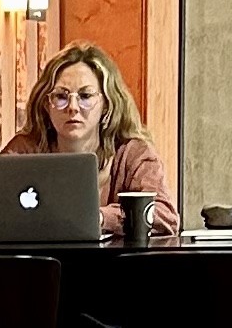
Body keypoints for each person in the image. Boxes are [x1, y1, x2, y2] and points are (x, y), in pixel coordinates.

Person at [14, 40, 178, 245]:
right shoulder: (24, 149)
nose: (73, 107)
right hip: (42, 262)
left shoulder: (132, 153)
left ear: (106, 104)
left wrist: (99, 218)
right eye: (61, 96)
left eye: (85, 96)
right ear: (47, 105)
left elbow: (165, 216)